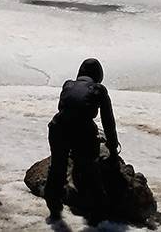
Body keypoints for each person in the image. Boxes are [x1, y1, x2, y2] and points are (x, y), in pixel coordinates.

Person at [44, 58, 120, 221]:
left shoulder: (68, 85)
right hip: (83, 131)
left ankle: (54, 206)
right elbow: (108, 121)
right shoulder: (98, 89)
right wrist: (113, 149)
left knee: (57, 168)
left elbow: (63, 108)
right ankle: (97, 213)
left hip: (58, 127)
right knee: (90, 171)